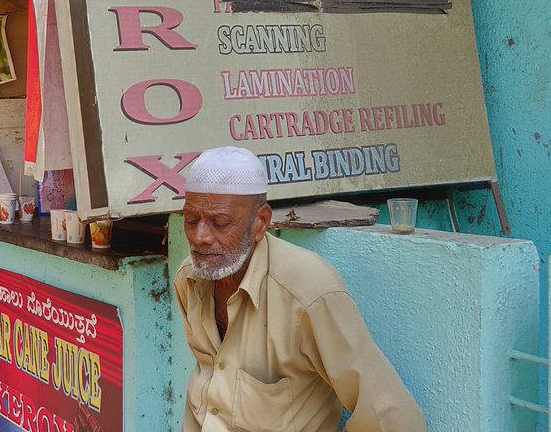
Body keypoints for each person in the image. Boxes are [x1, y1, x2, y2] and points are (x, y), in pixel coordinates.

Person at [174, 146, 426, 431]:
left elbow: (394, 418)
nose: (200, 237)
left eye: (220, 223)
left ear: (261, 222)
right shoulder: (190, 279)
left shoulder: (309, 293)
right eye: (191, 220)